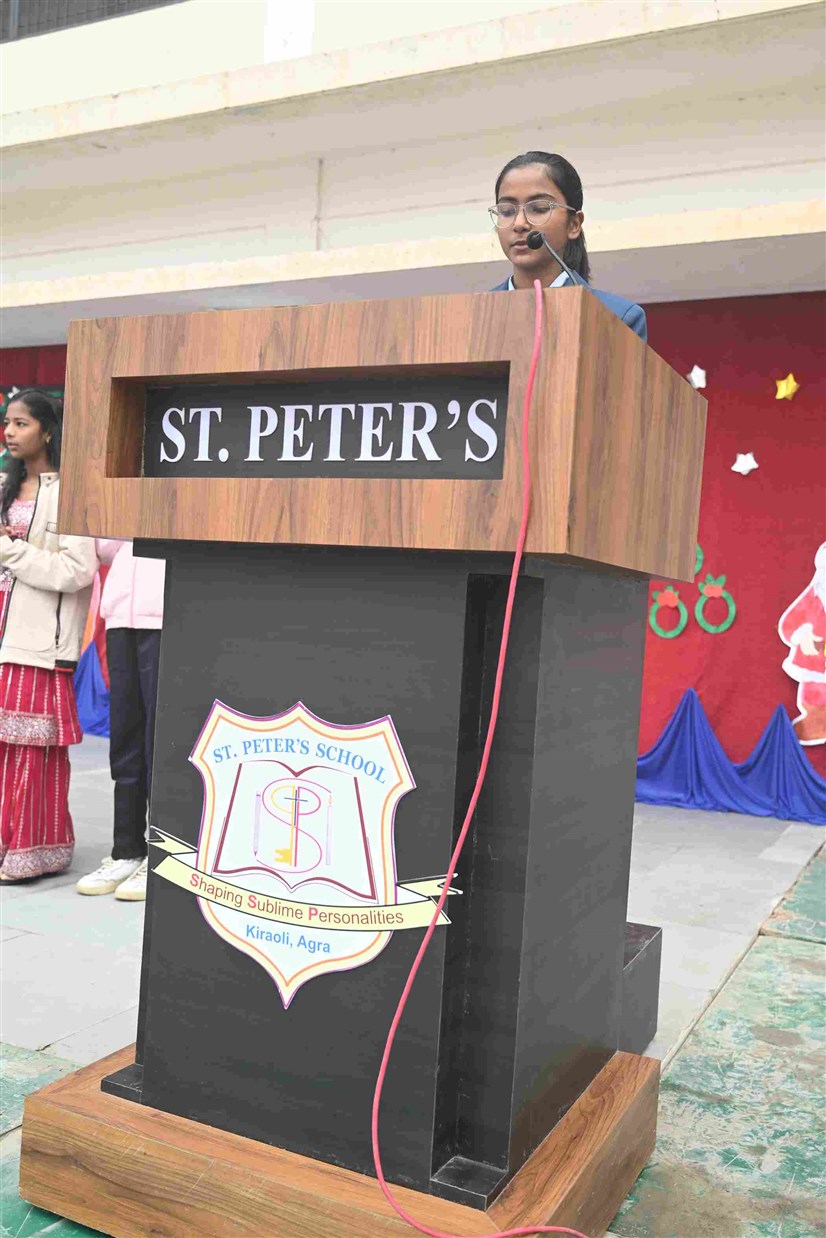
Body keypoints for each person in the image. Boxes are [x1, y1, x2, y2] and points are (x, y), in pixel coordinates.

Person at [0, 390, 97, 881]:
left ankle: (31, 850)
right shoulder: (4, 487)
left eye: (21, 423)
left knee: (28, 752)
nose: (9, 432)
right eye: (7, 423)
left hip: (37, 642)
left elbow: (78, 571)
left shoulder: (70, 491)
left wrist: (9, 551)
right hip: (2, 633)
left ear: (49, 430)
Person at [76, 540, 164, 900]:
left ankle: (161, 854)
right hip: (118, 617)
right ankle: (126, 851)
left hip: (165, 614)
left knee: (158, 738)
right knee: (125, 738)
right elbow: (104, 546)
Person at [489, 151, 648, 341]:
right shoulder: (475, 314)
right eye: (507, 211)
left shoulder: (617, 317)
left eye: (539, 209)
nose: (519, 224)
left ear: (574, 224)